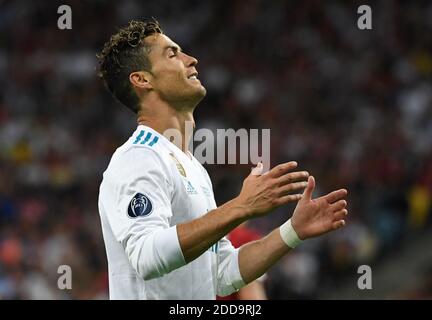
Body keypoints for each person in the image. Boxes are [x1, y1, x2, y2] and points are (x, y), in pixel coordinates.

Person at [96, 19, 348, 299]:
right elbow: (146, 256)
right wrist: (241, 206)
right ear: (143, 79)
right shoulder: (138, 158)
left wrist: (292, 231)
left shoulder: (194, 168)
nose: (191, 59)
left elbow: (220, 275)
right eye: (172, 53)